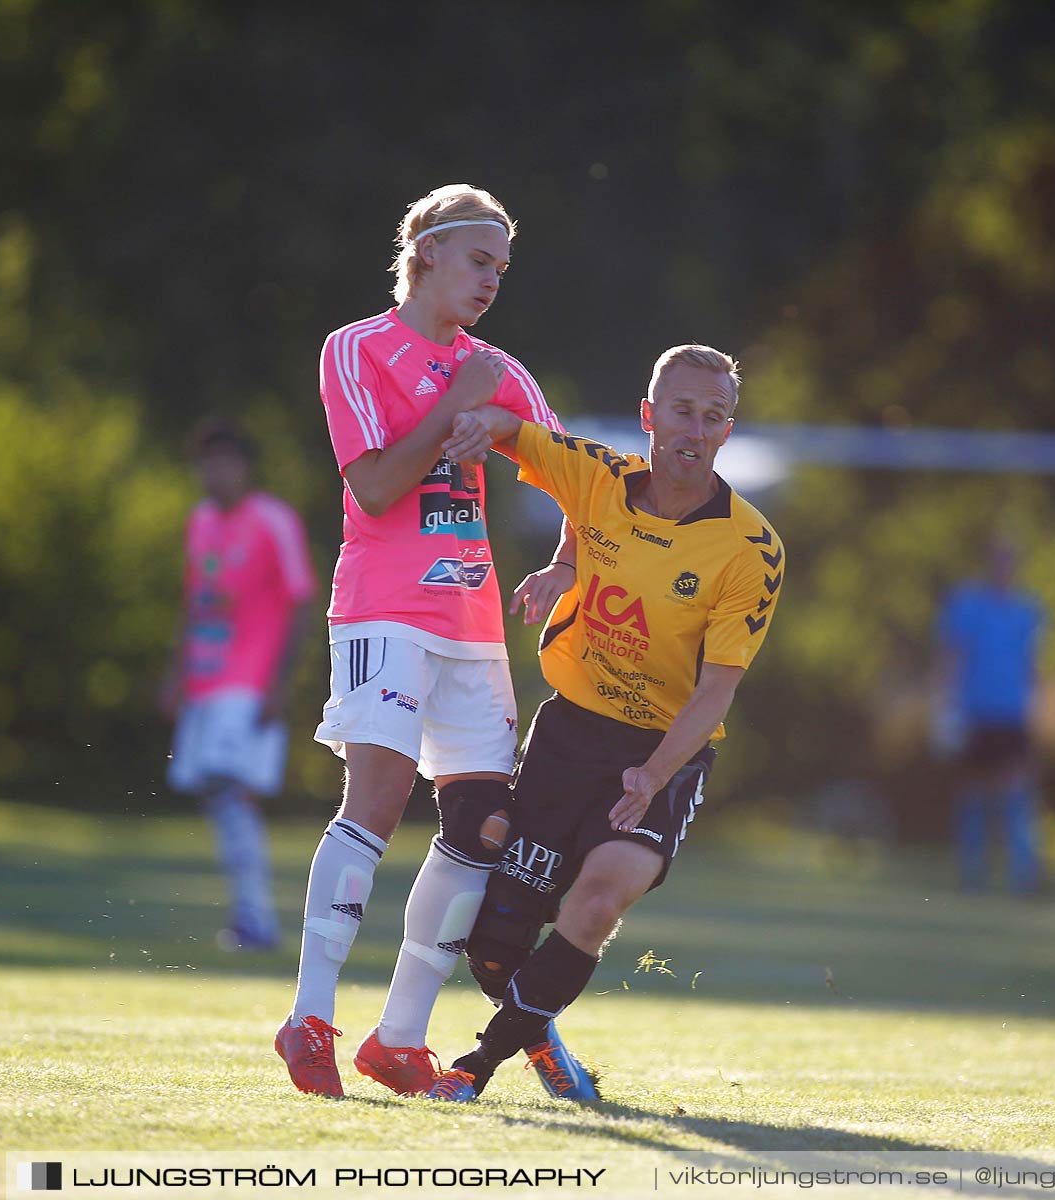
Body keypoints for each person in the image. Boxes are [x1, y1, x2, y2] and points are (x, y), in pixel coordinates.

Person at [421, 344, 784, 1103]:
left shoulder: (751, 548)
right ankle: (538, 1032)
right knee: (494, 948)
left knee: (600, 895)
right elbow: (511, 431)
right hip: (568, 735)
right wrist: (470, 435)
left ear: (727, 432)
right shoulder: (598, 475)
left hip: (664, 750)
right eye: (681, 410)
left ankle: (474, 1067)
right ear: (650, 417)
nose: (695, 427)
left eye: (713, 416)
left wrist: (654, 776)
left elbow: (716, 692)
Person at [275, 184, 571, 1099]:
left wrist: (563, 566)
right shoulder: (356, 349)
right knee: (378, 795)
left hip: (474, 625)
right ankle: (309, 1020)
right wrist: (458, 412)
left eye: (503, 269)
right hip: (385, 610)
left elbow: (578, 479)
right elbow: (373, 488)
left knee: (484, 827)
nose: (492, 282)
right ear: (428, 252)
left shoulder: (500, 369)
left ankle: (398, 1039)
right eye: (479, 261)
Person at [161, 417, 317, 951]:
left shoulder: (272, 520)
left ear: (244, 467)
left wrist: (279, 683)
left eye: (225, 460)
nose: (215, 471)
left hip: (248, 682)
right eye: (206, 461)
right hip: (205, 683)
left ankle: (256, 921)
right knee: (217, 796)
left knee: (232, 793)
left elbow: (300, 602)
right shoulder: (200, 521)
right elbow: (192, 601)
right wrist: (175, 672)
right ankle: (248, 916)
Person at [937, 540, 1043, 894]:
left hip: (1011, 714)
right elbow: (953, 656)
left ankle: (1022, 875)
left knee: (1016, 795)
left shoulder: (1027, 610)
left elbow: (1031, 665)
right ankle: (973, 875)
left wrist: (1036, 704)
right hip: (975, 713)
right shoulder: (968, 606)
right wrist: (948, 706)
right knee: (973, 795)